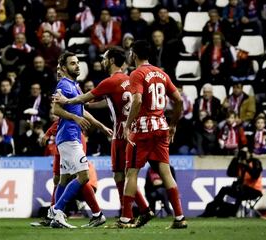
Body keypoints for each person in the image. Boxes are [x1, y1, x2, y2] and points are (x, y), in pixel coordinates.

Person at [53, 47, 153, 227]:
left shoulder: (108, 81)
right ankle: (135, 211)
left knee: (118, 176)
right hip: (134, 129)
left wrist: (68, 103)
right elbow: (106, 102)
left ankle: (127, 215)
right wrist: (98, 124)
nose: (102, 61)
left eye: (105, 58)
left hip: (120, 133)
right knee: (69, 177)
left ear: (112, 60)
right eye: (73, 63)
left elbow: (82, 101)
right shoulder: (130, 79)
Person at [123, 40, 187, 228]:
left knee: (131, 172)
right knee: (166, 172)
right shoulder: (161, 73)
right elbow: (178, 100)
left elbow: (137, 100)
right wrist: (173, 124)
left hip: (143, 129)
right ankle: (179, 218)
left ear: (133, 54)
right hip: (161, 127)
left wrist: (127, 125)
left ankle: (126, 217)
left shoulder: (137, 73)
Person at [48, 52, 112, 228]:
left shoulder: (75, 86)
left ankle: (55, 212)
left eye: (78, 63)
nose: (77, 66)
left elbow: (82, 110)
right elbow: (56, 110)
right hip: (69, 137)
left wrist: (100, 126)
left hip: (70, 137)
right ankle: (58, 211)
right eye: (73, 63)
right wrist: (74, 118)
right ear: (63, 68)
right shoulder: (63, 84)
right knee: (83, 176)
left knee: (65, 178)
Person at [199, 150, 263, 217]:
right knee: (224, 189)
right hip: (242, 189)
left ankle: (230, 210)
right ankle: (213, 207)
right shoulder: (240, 163)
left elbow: (255, 175)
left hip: (254, 190)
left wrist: (246, 165)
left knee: (240, 192)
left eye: (245, 153)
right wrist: (235, 160)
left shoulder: (255, 162)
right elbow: (230, 173)